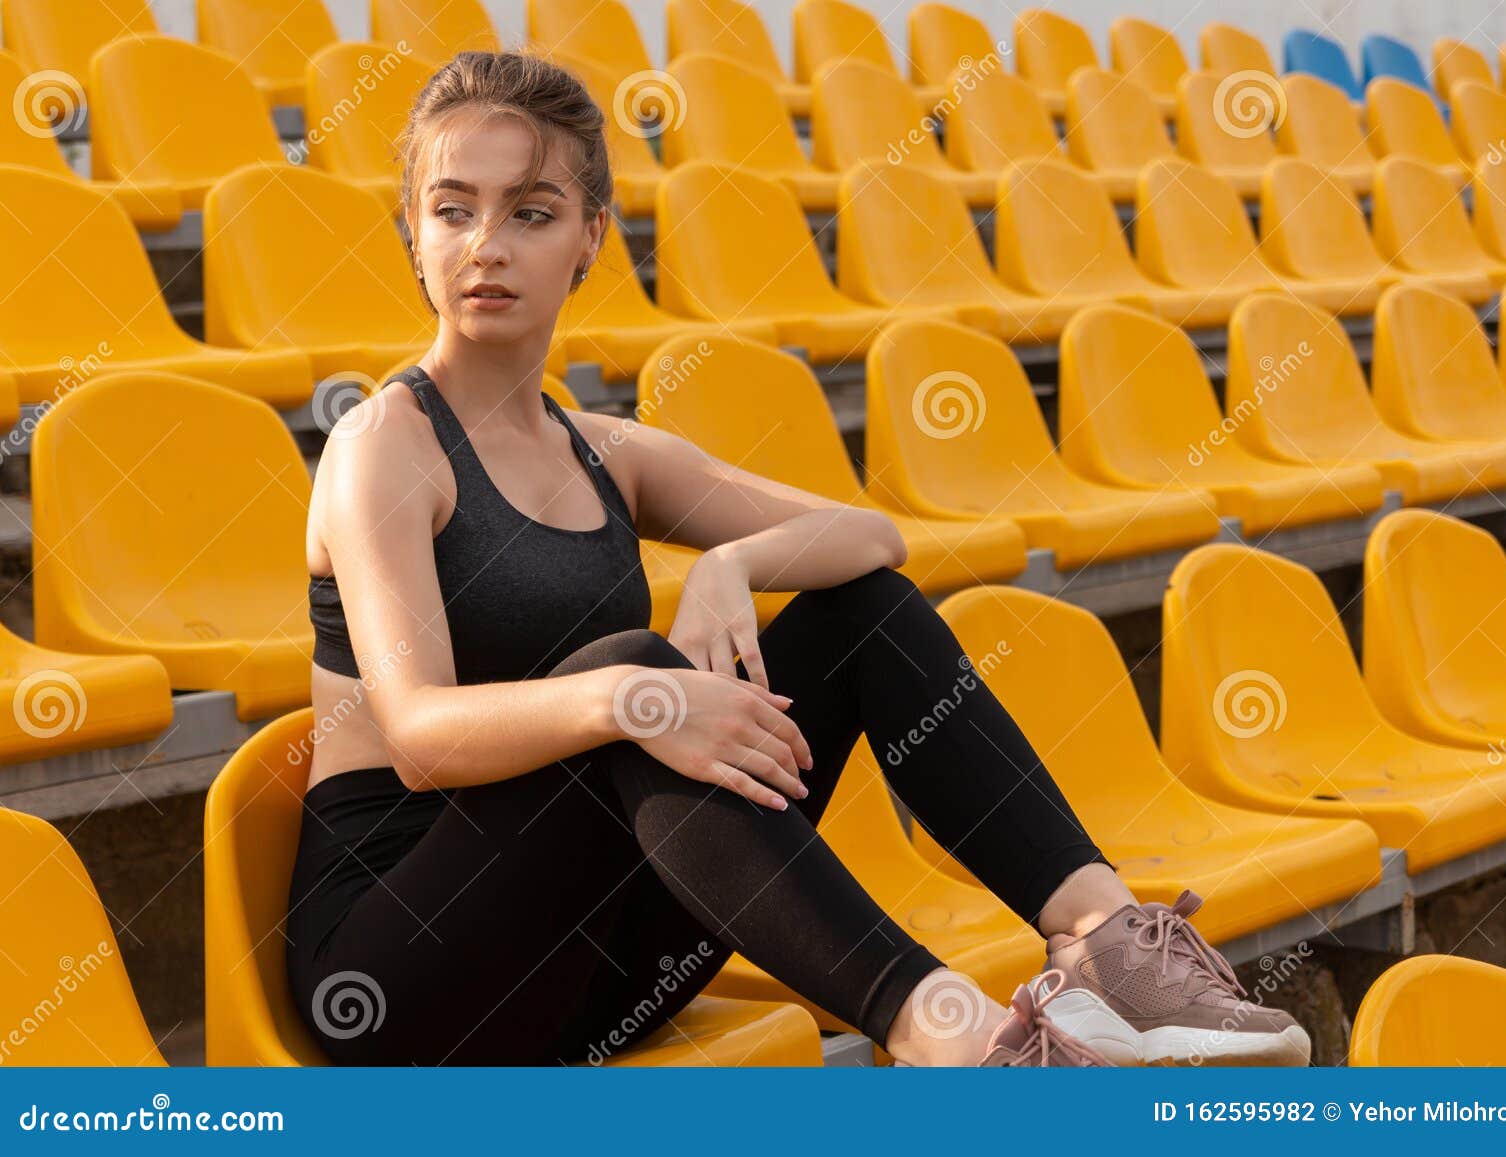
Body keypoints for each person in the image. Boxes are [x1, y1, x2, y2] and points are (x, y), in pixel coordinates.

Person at [287, 49, 1309, 1068]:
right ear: (411, 236)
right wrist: (634, 695)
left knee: (860, 608)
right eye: (452, 210)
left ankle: (1103, 943)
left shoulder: (607, 452)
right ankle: (968, 1049)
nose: (486, 247)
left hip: (595, 958)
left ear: (591, 238)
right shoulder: (383, 446)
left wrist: (730, 562)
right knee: (629, 675)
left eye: (531, 212)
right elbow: (417, 732)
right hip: (403, 977)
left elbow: (869, 536)